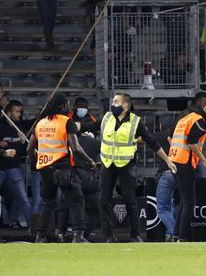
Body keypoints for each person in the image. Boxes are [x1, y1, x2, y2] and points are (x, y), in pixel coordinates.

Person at [99, 93, 176, 242]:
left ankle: (135, 235)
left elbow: (152, 142)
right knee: (104, 200)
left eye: (116, 102)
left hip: (126, 165)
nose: (113, 104)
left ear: (125, 105)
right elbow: (88, 126)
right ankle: (108, 236)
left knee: (130, 200)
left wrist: (167, 160)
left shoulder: (135, 122)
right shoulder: (107, 118)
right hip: (108, 163)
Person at [26, 93, 97, 243]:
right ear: (63, 106)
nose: (69, 106)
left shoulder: (41, 123)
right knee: (76, 199)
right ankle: (78, 236)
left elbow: (29, 150)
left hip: (45, 168)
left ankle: (41, 236)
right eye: (67, 104)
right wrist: (90, 161)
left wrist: (36, 163)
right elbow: (76, 148)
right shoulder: (67, 122)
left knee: (48, 203)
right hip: (63, 167)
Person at [169, 96, 206, 242]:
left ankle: (177, 235)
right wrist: (204, 160)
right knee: (189, 202)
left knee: (184, 201)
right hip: (183, 162)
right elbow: (192, 143)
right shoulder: (200, 121)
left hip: (174, 159)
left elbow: (171, 135)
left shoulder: (187, 117)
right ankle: (183, 237)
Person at [0, 100, 31, 229]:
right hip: (0, 167)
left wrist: (24, 142)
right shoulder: (0, 126)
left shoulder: (21, 127)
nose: (19, 114)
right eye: (16, 111)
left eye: (20, 111)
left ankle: (33, 227)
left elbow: (24, 152)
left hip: (14, 167)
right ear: (8, 112)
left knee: (22, 198)